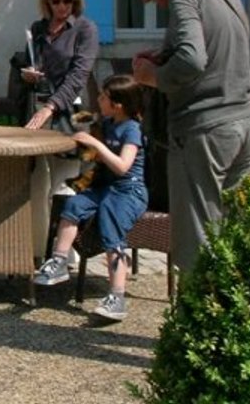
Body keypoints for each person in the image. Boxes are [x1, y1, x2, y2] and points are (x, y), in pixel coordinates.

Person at [122, 0, 250, 272]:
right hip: (244, 124)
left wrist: (148, 76)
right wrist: (162, 57)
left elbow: (192, 61)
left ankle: (195, 323)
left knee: (196, 243)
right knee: (229, 238)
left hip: (204, 131)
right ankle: (230, 320)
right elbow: (223, 48)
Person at [33, 74, 149, 322]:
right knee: (73, 203)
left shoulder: (132, 130)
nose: (98, 100)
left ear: (117, 104)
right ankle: (59, 261)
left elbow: (122, 166)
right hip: (106, 187)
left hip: (129, 191)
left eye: (103, 97)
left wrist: (96, 145)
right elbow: (83, 123)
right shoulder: (107, 122)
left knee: (109, 222)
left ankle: (117, 297)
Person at [20, 0, 99, 262]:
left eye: (66, 0)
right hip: (41, 111)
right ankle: (37, 251)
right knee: (38, 183)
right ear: (47, 2)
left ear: (75, 0)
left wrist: (51, 106)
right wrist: (29, 74)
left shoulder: (85, 29)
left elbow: (78, 75)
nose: (61, 7)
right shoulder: (37, 30)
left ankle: (66, 251)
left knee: (65, 184)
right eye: (55, 1)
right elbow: (34, 65)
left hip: (73, 115)